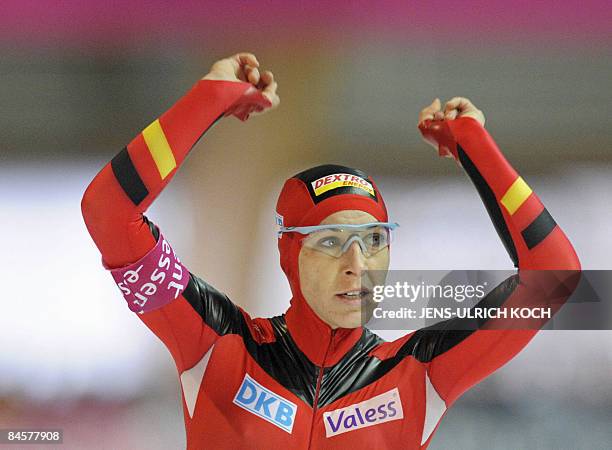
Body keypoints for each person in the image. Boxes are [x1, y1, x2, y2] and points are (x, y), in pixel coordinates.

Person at [81, 53, 581, 449]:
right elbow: (109, 213)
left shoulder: (417, 370)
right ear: (287, 255)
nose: (357, 267)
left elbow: (554, 276)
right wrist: (209, 100)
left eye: (375, 241)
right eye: (330, 242)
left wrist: (477, 149)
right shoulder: (217, 342)